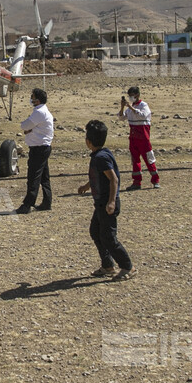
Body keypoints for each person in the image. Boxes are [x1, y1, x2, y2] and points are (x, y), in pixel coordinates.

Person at [76, 119, 133, 281]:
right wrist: (87, 185)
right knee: (95, 232)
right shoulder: (102, 154)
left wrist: (112, 201)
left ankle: (128, 266)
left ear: (88, 141)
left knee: (108, 237)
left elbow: (113, 179)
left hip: (107, 204)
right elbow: (100, 177)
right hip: (101, 203)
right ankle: (108, 265)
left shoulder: (101, 157)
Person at [16, 87, 54, 214]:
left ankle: (27, 204)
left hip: (39, 148)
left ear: (37, 100)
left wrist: (29, 129)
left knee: (33, 177)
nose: (31, 99)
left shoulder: (39, 112)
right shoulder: (42, 111)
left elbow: (25, 125)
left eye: (32, 97)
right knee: (44, 177)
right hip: (42, 147)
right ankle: (47, 201)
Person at [118, 86, 159, 190]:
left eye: (132, 95)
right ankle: (137, 182)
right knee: (135, 160)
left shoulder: (143, 105)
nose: (130, 98)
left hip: (143, 139)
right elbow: (121, 117)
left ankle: (155, 180)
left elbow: (143, 115)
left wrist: (130, 107)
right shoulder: (130, 108)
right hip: (133, 138)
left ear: (137, 95)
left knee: (149, 159)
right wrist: (123, 107)